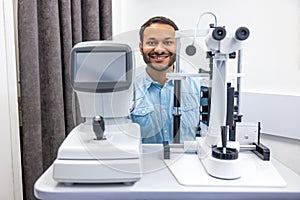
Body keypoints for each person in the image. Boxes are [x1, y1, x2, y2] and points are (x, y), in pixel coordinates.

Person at [131, 16, 202, 143]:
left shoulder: (198, 86)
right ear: (141, 48)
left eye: (168, 42)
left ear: (178, 47)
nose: (159, 49)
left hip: (189, 161)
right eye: (151, 43)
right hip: (145, 162)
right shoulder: (128, 92)